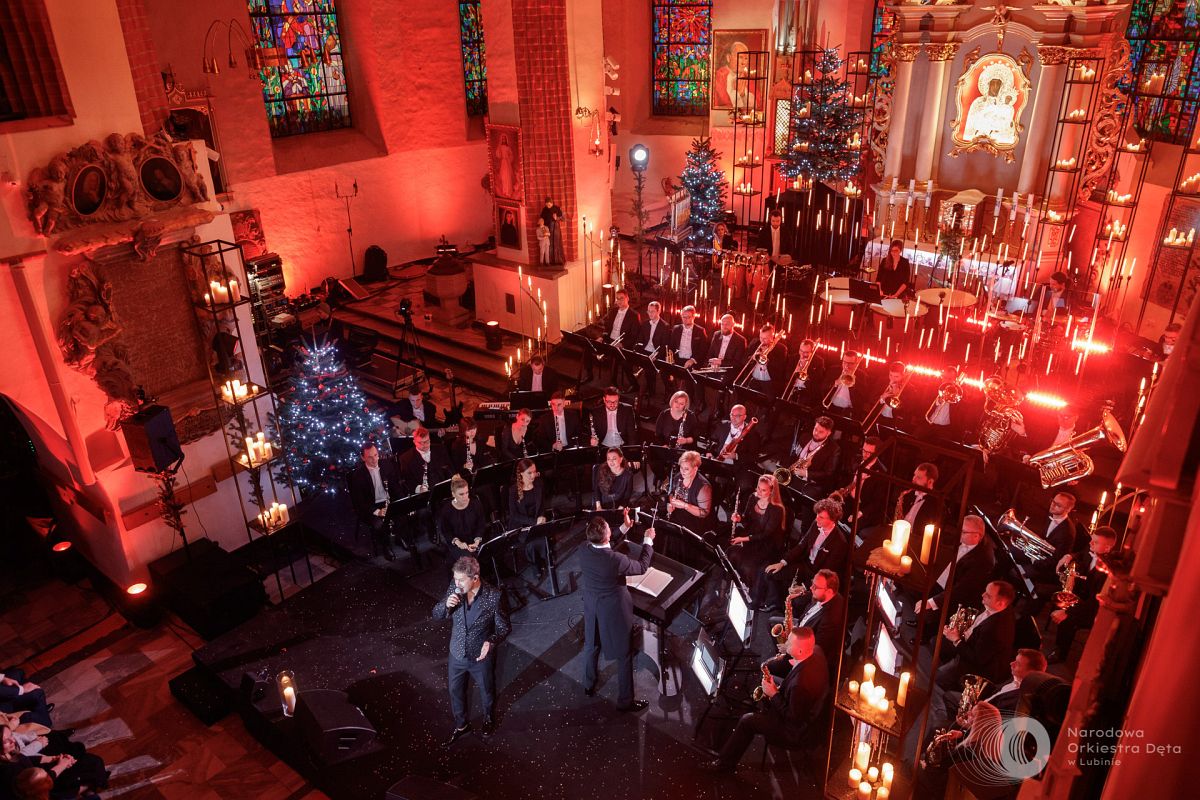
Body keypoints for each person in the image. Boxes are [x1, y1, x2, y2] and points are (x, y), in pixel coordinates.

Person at [701, 626, 828, 773]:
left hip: (794, 731)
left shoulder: (800, 684)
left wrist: (774, 694)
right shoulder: (816, 650)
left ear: (800, 651)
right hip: (799, 702)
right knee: (770, 680)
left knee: (747, 721)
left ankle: (724, 765)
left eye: (789, 643)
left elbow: (793, 718)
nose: (786, 644)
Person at [579, 510, 656, 711]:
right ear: (607, 535)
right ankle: (625, 701)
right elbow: (642, 567)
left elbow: (603, 541)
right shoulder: (616, 560)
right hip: (613, 611)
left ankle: (588, 685)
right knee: (624, 654)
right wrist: (648, 541)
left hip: (592, 606)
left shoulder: (584, 548)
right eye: (609, 529)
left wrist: (625, 527)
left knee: (591, 646)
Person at [432, 556, 510, 745]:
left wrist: (491, 642)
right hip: (457, 653)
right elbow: (436, 614)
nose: (456, 584)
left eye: (461, 580)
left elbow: (504, 627)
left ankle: (488, 718)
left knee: (487, 691)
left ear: (475, 578)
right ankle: (461, 725)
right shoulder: (455, 588)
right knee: (455, 691)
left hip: (480, 657)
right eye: (455, 579)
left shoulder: (494, 596)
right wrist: (445, 605)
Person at [756, 498, 849, 611]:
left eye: (821, 517)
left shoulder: (840, 542)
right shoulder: (816, 524)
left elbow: (826, 573)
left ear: (832, 520)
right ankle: (774, 603)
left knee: (798, 601)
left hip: (818, 576)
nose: (816, 519)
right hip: (805, 565)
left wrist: (805, 586)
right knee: (770, 572)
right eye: (817, 515)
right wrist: (782, 563)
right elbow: (801, 546)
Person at [1047, 526, 1116, 663]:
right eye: (1092, 540)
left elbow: (1093, 603)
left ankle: (1060, 654)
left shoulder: (1108, 571)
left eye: (1095, 542)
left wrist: (1066, 611)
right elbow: (1080, 553)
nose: (1090, 543)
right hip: (1082, 599)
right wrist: (1069, 556)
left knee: (1067, 619)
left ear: (1107, 548)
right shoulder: (1091, 550)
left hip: (1093, 610)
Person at [936, 580, 1017, 690]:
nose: (983, 594)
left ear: (1000, 603)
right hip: (972, 644)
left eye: (988, 595)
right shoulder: (1000, 607)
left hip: (978, 666)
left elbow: (976, 659)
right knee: (936, 642)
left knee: (939, 678)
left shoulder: (995, 630)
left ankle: (956, 682)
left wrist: (956, 640)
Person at [348, 443, 403, 560]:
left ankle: (400, 538)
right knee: (379, 524)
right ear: (363, 458)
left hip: (387, 501)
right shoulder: (358, 476)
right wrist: (378, 512)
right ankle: (386, 547)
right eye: (370, 457)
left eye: (376, 455)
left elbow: (396, 487)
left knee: (402, 514)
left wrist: (400, 502)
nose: (374, 460)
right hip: (370, 507)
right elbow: (360, 503)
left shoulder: (387, 465)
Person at [729, 474, 786, 588]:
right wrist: (739, 518)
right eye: (758, 488)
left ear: (771, 491)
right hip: (750, 536)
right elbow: (746, 519)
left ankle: (747, 589)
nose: (759, 492)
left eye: (763, 490)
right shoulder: (753, 497)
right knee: (730, 553)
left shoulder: (777, 509)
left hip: (765, 544)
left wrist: (743, 539)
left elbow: (765, 535)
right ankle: (729, 583)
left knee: (748, 566)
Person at [791, 569, 846, 677]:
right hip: (800, 628)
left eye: (815, 587)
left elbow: (815, 648)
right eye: (812, 583)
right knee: (772, 621)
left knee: (769, 667)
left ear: (829, 591)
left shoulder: (830, 618)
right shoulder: (821, 596)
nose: (811, 588)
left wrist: (790, 647)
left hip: (804, 655)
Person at [772, 416, 840, 495]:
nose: (816, 433)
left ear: (828, 433)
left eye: (821, 432)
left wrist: (806, 473)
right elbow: (793, 454)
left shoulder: (833, 449)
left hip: (810, 483)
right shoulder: (805, 436)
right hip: (793, 474)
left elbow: (828, 473)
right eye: (815, 429)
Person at [507, 458, 547, 574]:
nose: (533, 475)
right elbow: (514, 515)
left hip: (536, 522)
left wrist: (542, 517)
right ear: (521, 473)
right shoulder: (513, 490)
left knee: (544, 538)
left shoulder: (539, 484)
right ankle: (537, 566)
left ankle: (545, 562)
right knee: (532, 543)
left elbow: (542, 506)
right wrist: (534, 522)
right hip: (521, 526)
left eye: (534, 472)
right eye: (529, 473)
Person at [438, 475, 488, 569]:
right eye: (461, 494)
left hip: (476, 539)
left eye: (467, 492)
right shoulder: (446, 510)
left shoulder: (475, 503)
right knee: (468, 561)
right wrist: (459, 543)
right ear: (453, 494)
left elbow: (481, 525)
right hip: (457, 543)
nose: (465, 497)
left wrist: (476, 542)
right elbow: (446, 532)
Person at [667, 449, 713, 534]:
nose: (682, 471)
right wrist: (671, 503)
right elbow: (672, 494)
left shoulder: (703, 487)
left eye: (686, 469)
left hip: (695, 521)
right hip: (678, 514)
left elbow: (704, 513)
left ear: (695, 469)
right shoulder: (678, 477)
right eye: (681, 467)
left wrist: (684, 505)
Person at [397, 427, 452, 496]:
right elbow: (407, 480)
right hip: (424, 496)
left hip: (446, 490)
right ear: (414, 442)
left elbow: (450, 468)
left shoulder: (440, 449)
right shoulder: (405, 458)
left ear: (429, 439)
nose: (424, 445)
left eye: (427, 441)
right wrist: (419, 488)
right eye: (420, 443)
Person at [635, 300, 671, 400]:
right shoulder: (645, 324)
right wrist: (636, 351)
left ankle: (650, 391)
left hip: (657, 353)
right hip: (645, 351)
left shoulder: (665, 326)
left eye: (652, 311)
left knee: (649, 369)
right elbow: (640, 340)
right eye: (648, 311)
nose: (650, 314)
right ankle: (645, 389)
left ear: (658, 311)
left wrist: (656, 356)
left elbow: (664, 345)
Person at [745, 323, 789, 399]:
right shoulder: (755, 343)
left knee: (767, 399)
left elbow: (780, 369)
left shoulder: (781, 349)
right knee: (739, 391)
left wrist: (767, 354)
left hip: (769, 382)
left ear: (771, 337)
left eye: (765, 338)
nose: (762, 341)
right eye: (760, 337)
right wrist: (753, 358)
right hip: (753, 379)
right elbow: (743, 360)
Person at [589, 387, 637, 452]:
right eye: (609, 402)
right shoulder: (596, 412)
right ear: (604, 399)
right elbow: (592, 432)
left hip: (622, 447)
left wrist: (632, 452)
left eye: (615, 401)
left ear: (619, 399)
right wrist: (593, 440)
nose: (612, 404)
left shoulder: (627, 410)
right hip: (603, 447)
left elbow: (632, 434)